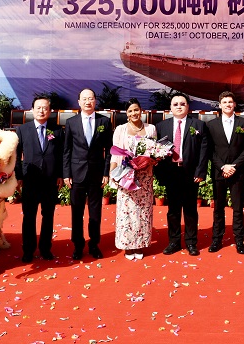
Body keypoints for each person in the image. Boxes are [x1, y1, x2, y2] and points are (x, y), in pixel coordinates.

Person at [154, 93, 208, 256]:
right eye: (175, 104)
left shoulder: (198, 125)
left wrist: (200, 171)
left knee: (190, 209)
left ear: (188, 107)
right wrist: (160, 174)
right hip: (171, 172)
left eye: (182, 104)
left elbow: (204, 151)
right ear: (170, 108)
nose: (179, 106)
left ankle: (191, 242)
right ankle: (174, 242)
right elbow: (155, 152)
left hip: (190, 173)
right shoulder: (161, 126)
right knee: (173, 210)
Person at [63, 88, 113, 260]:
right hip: (76, 174)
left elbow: (109, 150)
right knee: (77, 213)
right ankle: (78, 245)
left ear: (95, 101)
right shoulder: (71, 122)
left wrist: (106, 172)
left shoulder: (104, 121)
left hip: (96, 174)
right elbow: (67, 150)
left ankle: (94, 244)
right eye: (84, 99)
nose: (87, 102)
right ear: (79, 102)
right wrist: (66, 174)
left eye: (90, 98)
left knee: (95, 213)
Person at [15, 96, 63, 263]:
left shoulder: (57, 130)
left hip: (50, 179)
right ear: (32, 110)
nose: (41, 111)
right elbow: (16, 155)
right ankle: (28, 250)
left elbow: (61, 154)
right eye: (38, 108)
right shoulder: (23, 130)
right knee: (29, 216)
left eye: (45, 108)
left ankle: (45, 248)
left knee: (48, 215)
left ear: (50, 111)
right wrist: (19, 176)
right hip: (30, 179)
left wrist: (60, 175)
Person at [206, 91, 244, 254]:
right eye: (224, 102)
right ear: (220, 105)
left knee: (238, 208)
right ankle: (216, 239)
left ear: (234, 104)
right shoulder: (211, 125)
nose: (227, 104)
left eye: (230, 102)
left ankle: (239, 240)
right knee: (218, 208)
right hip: (219, 172)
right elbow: (210, 150)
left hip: (238, 172)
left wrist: (234, 166)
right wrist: (222, 166)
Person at [110, 98, 157, 260]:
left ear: (141, 110)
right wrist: (113, 174)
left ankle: (140, 244)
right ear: (127, 114)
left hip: (145, 177)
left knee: (143, 211)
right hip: (126, 176)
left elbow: (155, 151)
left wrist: (152, 160)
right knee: (127, 212)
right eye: (130, 111)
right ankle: (127, 246)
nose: (134, 113)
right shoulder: (120, 129)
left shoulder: (151, 129)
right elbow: (115, 154)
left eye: (136, 109)